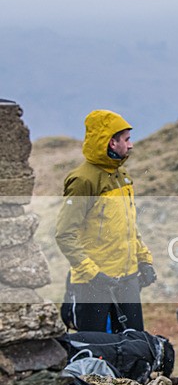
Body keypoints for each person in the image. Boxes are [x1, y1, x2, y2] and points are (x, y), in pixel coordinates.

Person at [55, 110, 156, 333]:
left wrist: (145, 261)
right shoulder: (83, 180)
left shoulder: (123, 176)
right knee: (95, 352)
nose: (131, 145)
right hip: (93, 284)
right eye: (127, 139)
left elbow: (129, 227)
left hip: (128, 279)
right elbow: (64, 234)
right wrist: (93, 274)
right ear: (112, 142)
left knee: (135, 349)